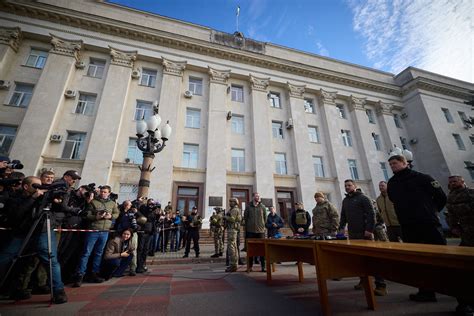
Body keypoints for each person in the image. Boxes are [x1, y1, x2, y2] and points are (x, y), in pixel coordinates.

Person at [387, 154, 447, 302]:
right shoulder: (392, 183)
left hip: (428, 224)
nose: (392, 166)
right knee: (418, 261)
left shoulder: (422, 178)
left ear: (404, 162)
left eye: (394, 163)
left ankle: (464, 300)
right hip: (408, 226)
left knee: (443, 259)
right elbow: (394, 200)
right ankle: (426, 292)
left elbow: (441, 197)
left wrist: (431, 212)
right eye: (390, 165)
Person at [0, 176, 68, 303]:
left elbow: (62, 210)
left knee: (51, 260)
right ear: (26, 187)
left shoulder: (44, 199)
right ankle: (12, 288)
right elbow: (16, 214)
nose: (40, 189)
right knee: (6, 257)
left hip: (42, 232)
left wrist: (57, 201)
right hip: (21, 233)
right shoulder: (15, 198)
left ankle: (58, 291)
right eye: (36, 186)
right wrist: (33, 198)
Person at [339, 179, 387, 296]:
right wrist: (341, 228)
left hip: (365, 233)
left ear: (355, 186)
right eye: (345, 186)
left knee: (372, 258)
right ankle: (364, 281)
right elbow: (343, 216)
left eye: (349, 185)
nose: (347, 187)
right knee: (359, 259)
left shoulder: (363, 198)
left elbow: (372, 214)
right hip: (353, 233)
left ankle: (381, 285)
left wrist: (369, 230)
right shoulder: (345, 201)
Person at [73, 185, 119, 287]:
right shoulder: (93, 202)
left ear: (109, 193)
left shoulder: (112, 204)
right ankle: (80, 274)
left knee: (99, 253)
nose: (103, 193)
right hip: (93, 230)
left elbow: (116, 214)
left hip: (105, 231)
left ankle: (94, 273)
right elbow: (87, 215)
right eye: (101, 192)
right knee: (86, 253)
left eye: (105, 192)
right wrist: (96, 217)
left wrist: (111, 216)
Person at [445, 175, 474, 315]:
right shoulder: (450, 197)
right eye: (450, 182)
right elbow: (450, 214)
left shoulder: (471, 193)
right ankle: (465, 303)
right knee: (462, 268)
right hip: (466, 235)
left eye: (455, 181)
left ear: (463, 181)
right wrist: (453, 226)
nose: (452, 183)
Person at [244, 192, 267, 272]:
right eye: (256, 196)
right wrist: (247, 228)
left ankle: (263, 267)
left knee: (262, 250)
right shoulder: (248, 207)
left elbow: (265, 218)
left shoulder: (262, 207)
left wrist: (262, 226)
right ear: (253, 197)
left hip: (260, 231)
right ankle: (250, 267)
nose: (258, 197)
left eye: (258, 196)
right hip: (250, 231)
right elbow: (245, 218)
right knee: (250, 250)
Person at [225, 198, 242, 272]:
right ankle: (234, 264)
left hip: (232, 230)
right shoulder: (232, 209)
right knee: (233, 246)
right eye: (229, 201)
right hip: (231, 229)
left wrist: (225, 217)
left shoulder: (234, 210)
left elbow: (232, 219)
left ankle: (233, 265)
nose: (230, 203)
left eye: (231, 202)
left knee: (231, 247)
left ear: (235, 203)